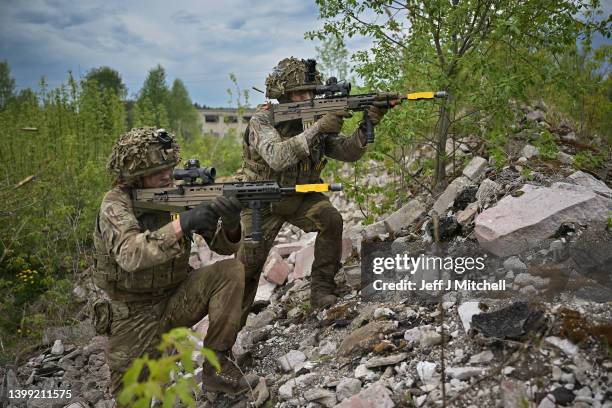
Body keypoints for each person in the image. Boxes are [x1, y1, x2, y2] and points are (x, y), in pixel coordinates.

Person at [91, 127, 249, 397]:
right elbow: (130, 254)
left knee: (231, 271)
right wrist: (182, 224)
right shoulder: (115, 204)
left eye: (169, 167)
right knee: (131, 398)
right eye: (156, 172)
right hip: (133, 313)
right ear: (134, 176)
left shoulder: (179, 195)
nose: (167, 175)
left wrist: (232, 222)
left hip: (177, 297)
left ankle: (217, 368)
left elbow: (224, 247)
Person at [235, 57, 387, 317]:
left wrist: (367, 125)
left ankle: (321, 290)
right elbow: (277, 157)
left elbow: (345, 152)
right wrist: (318, 127)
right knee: (247, 268)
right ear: (282, 95)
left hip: (301, 195)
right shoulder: (263, 120)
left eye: (311, 92)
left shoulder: (314, 119)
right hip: (262, 199)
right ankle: (228, 332)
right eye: (299, 93)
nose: (307, 97)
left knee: (331, 219)